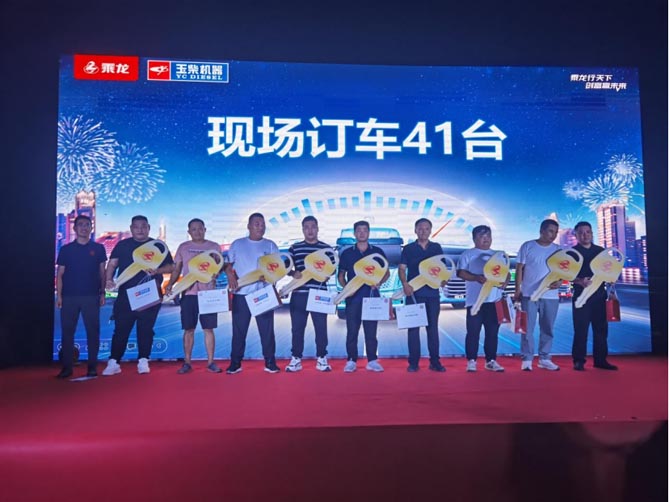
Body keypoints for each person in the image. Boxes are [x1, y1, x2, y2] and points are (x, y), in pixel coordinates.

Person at [102, 215, 174, 376]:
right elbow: (112, 264)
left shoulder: (158, 246)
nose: (140, 229)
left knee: (146, 329)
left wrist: (157, 270)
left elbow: (171, 266)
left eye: (143, 226)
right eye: (136, 226)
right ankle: (114, 362)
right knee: (121, 329)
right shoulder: (123, 245)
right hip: (125, 295)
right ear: (131, 228)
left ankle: (143, 360)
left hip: (149, 294)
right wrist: (108, 280)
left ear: (149, 228)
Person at [225, 213, 280, 374]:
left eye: (262, 224)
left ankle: (270, 362)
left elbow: (277, 268)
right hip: (241, 294)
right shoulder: (238, 244)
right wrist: (230, 276)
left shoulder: (270, 245)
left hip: (263, 293)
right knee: (239, 331)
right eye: (256, 224)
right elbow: (228, 266)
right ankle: (235, 363)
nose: (260, 227)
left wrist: (269, 276)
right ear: (248, 226)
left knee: (267, 331)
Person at [165, 218, 223, 374]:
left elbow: (219, 267)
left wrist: (216, 274)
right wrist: (170, 284)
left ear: (205, 229)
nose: (197, 231)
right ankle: (187, 363)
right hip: (188, 293)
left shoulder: (214, 247)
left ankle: (211, 362)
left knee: (208, 329)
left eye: (200, 228)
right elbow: (176, 269)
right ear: (189, 232)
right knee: (188, 329)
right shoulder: (183, 247)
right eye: (194, 229)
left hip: (208, 294)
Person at [55, 215, 107, 378]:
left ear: (91, 228)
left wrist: (102, 292)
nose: (84, 227)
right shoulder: (66, 249)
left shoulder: (98, 248)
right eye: (81, 225)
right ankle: (67, 368)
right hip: (69, 297)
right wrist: (59, 296)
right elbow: (60, 274)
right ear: (75, 228)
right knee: (67, 333)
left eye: (87, 225)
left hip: (91, 296)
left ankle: (92, 367)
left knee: (93, 332)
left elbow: (102, 273)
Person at [337, 220, 390, 372]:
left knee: (371, 331)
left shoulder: (377, 252)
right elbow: (341, 275)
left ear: (368, 232)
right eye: (359, 230)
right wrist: (347, 289)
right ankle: (351, 360)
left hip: (372, 297)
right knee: (352, 331)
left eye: (364, 230)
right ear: (354, 233)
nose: (362, 233)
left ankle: (372, 360)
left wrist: (379, 283)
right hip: (353, 298)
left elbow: (386, 273)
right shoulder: (347, 253)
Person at [457, 225, 508, 373]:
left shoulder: (498, 255)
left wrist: (506, 281)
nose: (486, 239)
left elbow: (506, 273)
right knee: (473, 332)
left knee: (492, 333)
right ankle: (471, 361)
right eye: (481, 236)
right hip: (475, 301)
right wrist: (476, 277)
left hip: (494, 301)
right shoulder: (468, 254)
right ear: (474, 238)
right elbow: (460, 273)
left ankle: (490, 361)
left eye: (488, 236)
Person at [285, 216, 333, 372]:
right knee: (297, 329)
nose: (310, 230)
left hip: (319, 293)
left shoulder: (326, 248)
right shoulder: (295, 248)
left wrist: (327, 274)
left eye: (313, 227)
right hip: (299, 294)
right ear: (302, 229)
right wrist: (293, 273)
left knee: (321, 328)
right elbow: (285, 267)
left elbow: (333, 269)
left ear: (317, 228)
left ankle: (322, 358)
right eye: (306, 227)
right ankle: (296, 358)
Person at [398, 218, 447, 372]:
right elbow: (402, 269)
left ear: (430, 231)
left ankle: (435, 362)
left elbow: (442, 268)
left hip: (432, 294)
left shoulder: (436, 247)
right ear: (415, 230)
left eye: (426, 228)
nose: (423, 231)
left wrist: (444, 280)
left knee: (432, 329)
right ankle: (413, 363)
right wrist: (405, 284)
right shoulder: (408, 249)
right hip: (413, 293)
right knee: (413, 329)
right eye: (420, 228)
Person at [513, 219, 562, 371]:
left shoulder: (558, 250)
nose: (553, 235)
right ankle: (527, 359)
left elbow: (563, 271)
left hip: (551, 295)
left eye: (555, 232)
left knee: (547, 328)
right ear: (541, 230)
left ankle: (544, 358)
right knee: (527, 328)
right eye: (550, 231)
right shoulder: (527, 246)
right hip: (529, 294)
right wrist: (517, 289)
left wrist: (560, 282)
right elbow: (519, 269)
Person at [571, 221, 618, 371]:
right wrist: (579, 281)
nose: (585, 235)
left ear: (592, 234)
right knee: (581, 330)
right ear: (576, 235)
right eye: (581, 233)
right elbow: (566, 275)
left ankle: (601, 360)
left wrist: (612, 279)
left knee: (601, 330)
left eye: (587, 232)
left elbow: (609, 269)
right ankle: (579, 360)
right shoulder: (572, 253)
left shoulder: (601, 251)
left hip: (599, 295)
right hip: (581, 296)